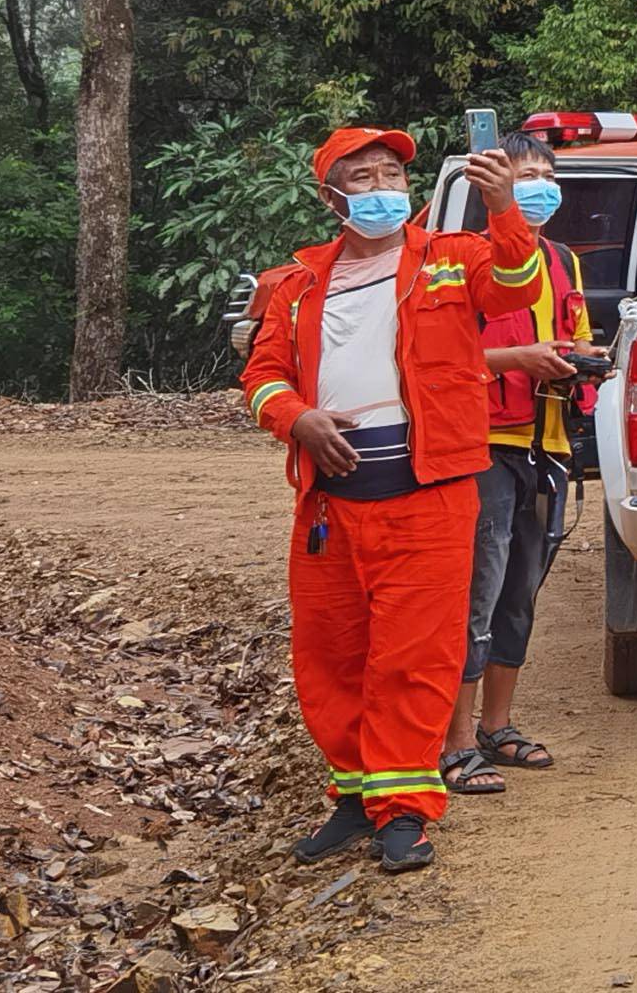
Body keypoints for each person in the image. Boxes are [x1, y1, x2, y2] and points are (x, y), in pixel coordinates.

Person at [241, 127, 542, 874]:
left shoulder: (451, 256)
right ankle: (356, 798)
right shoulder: (296, 283)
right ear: (330, 196)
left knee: (414, 656)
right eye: (362, 176)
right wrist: (296, 418)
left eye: (389, 174)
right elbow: (262, 374)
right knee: (332, 656)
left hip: (427, 496)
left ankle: (405, 811)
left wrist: (503, 207)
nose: (379, 187)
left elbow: (517, 286)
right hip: (329, 505)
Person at [438, 134, 597, 800]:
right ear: (491, 183)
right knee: (477, 590)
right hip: (484, 446)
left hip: (547, 444)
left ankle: (498, 726)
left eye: (545, 176)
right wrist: (518, 360)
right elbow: (440, 361)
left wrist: (583, 363)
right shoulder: (461, 261)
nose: (537, 186)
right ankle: (454, 742)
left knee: (519, 595)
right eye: (523, 174)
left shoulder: (563, 260)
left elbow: (577, 333)